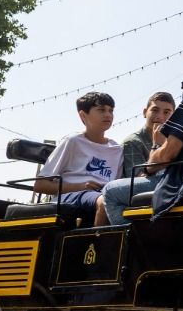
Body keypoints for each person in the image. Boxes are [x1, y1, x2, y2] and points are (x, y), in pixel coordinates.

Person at [33, 91, 122, 225]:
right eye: (101, 110)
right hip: (70, 196)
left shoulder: (117, 149)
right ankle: (95, 244)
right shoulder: (72, 141)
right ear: (83, 115)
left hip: (102, 194)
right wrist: (80, 186)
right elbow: (40, 185)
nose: (108, 115)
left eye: (111, 110)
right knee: (105, 203)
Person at [96, 90, 175, 226]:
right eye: (155, 110)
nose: (160, 117)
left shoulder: (176, 138)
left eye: (166, 112)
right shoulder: (133, 142)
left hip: (172, 182)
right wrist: (157, 145)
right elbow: (139, 178)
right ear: (145, 112)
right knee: (109, 192)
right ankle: (127, 232)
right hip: (151, 187)